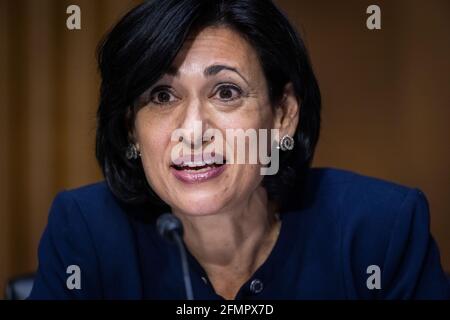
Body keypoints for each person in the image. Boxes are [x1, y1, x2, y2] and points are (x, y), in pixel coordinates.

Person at [29, 0, 450, 299]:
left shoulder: (380, 230)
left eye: (226, 91)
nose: (192, 131)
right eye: (161, 96)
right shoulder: (86, 231)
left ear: (282, 114)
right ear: (131, 130)